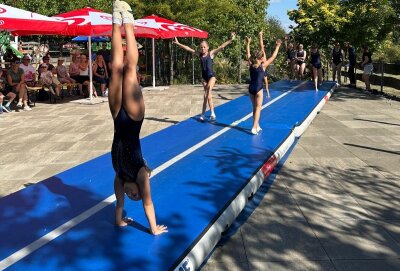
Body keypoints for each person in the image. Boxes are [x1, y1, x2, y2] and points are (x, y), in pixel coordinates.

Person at [109, 0, 167, 235]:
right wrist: (153, 229)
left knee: (115, 67)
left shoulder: (119, 178)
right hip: (132, 120)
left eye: (130, 195)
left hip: (116, 117)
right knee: (129, 69)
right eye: (135, 195)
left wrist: (119, 219)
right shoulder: (141, 174)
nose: (133, 194)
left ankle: (115, 19)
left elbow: (119, 205)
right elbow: (148, 203)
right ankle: (129, 22)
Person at [174, 32, 236, 121]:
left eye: (204, 47)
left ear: (208, 48)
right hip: (204, 78)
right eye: (201, 47)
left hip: (211, 77)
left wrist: (231, 39)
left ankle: (203, 113)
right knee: (208, 96)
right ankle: (212, 113)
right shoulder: (199, 54)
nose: (202, 48)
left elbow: (221, 46)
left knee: (206, 93)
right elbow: (188, 49)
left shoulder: (211, 54)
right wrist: (179, 43)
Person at [246, 35, 282, 135]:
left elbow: (248, 53)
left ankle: (256, 125)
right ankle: (254, 127)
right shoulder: (263, 66)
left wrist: (248, 43)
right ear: (261, 58)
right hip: (258, 89)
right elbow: (273, 57)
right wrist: (278, 46)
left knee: (254, 108)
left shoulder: (250, 64)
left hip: (251, 89)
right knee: (258, 108)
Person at [258, 31, 270, 98]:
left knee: (266, 82)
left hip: (263, 69)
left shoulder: (263, 58)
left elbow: (261, 46)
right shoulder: (259, 58)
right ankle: (260, 35)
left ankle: (268, 92)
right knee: (261, 47)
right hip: (260, 69)